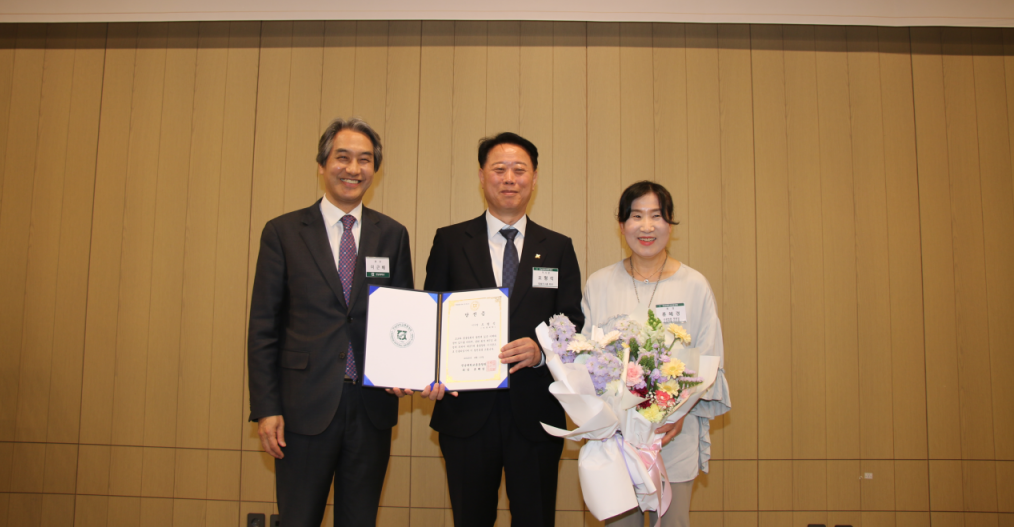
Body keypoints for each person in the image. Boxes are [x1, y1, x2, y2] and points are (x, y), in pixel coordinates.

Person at [247, 118, 414, 527]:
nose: (353, 169)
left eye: (365, 160)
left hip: (371, 408)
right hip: (303, 407)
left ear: (375, 170)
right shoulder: (283, 232)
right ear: (322, 164)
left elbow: (405, 318)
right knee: (299, 519)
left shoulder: (393, 235)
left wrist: (408, 369)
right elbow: (263, 328)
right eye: (343, 158)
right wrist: (267, 408)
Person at [423, 132, 585, 527]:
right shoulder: (449, 241)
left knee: (535, 519)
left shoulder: (558, 247)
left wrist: (542, 351)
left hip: (536, 411)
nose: (509, 178)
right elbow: (431, 317)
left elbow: (572, 322)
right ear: (482, 176)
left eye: (519, 170)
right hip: (465, 413)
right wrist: (431, 371)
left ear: (534, 177)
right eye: (499, 169)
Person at [582, 181, 730, 527]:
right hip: (616, 439)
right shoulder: (599, 284)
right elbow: (586, 358)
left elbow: (709, 357)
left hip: (672, 434)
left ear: (670, 224)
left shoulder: (694, 285)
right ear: (621, 225)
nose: (646, 227)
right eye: (636, 216)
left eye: (656, 216)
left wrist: (678, 414)